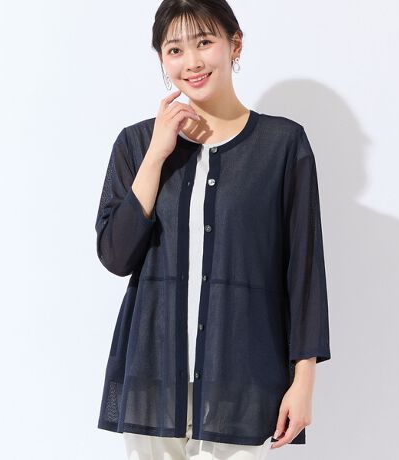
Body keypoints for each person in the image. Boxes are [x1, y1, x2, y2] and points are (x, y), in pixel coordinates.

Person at [94, 1, 331, 459]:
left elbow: (304, 271)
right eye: (175, 50)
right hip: (152, 379)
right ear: (162, 59)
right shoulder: (136, 144)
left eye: (204, 42)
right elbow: (115, 255)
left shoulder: (283, 145)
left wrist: (303, 381)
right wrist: (157, 154)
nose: (192, 62)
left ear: (234, 44)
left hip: (242, 381)